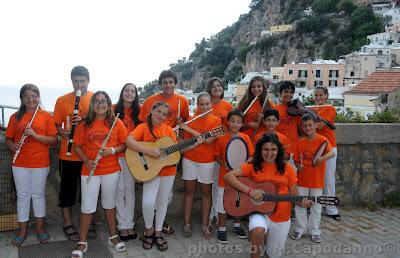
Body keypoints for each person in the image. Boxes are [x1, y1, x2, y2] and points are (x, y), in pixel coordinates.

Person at [126, 101, 203, 251]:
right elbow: (129, 141)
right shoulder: (143, 127)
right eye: (158, 112)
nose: (161, 116)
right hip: (151, 172)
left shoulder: (168, 130)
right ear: (151, 111)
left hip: (167, 171)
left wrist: (195, 144)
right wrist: (148, 151)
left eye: (164, 114)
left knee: (162, 203)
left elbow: (177, 150)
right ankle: (148, 230)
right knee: (148, 202)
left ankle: (158, 231)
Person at [224, 134, 311, 258]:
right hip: (260, 211)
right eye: (266, 149)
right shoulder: (254, 166)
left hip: (281, 216)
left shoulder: (288, 169)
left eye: (273, 149)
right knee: (258, 230)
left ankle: (265, 243)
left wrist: (302, 202)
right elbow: (228, 176)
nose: (269, 153)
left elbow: (295, 195)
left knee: (273, 255)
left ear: (278, 150)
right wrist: (250, 191)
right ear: (260, 150)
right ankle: (256, 242)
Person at [71, 91, 127, 258]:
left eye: (104, 101)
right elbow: (77, 147)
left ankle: (113, 237)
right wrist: (87, 160)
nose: (100, 104)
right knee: (87, 206)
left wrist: (111, 150)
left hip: (111, 170)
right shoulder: (84, 124)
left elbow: (124, 145)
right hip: (90, 170)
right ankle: (82, 242)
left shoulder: (116, 123)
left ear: (109, 104)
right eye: (97, 101)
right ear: (92, 105)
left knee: (109, 204)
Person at [5, 84, 58, 247]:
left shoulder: (46, 117)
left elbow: (53, 140)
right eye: (27, 96)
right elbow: (8, 139)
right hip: (19, 162)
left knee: (38, 195)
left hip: (40, 163)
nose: (31, 99)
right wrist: (12, 146)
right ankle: (23, 230)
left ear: (39, 97)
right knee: (23, 196)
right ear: (22, 99)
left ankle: (40, 229)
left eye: (34, 96)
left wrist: (35, 135)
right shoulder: (15, 117)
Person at [138, 70, 189, 234]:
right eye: (164, 82)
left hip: (170, 149)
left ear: (175, 83)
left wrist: (181, 126)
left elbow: (184, 126)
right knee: (150, 198)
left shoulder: (183, 101)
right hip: (152, 152)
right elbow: (142, 129)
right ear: (161, 84)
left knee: (165, 198)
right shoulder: (150, 101)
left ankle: (159, 224)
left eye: (170, 82)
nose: (168, 85)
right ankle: (150, 227)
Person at [53, 66, 96, 241]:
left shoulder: (95, 98)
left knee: (90, 191)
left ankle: (90, 221)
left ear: (88, 80)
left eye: (82, 81)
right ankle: (68, 222)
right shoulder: (62, 100)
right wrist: (62, 132)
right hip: (68, 154)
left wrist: (85, 119)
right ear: (71, 81)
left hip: (88, 153)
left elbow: (102, 120)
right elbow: (56, 124)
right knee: (67, 190)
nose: (79, 85)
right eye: (76, 81)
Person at [179, 92, 221, 239]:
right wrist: (185, 128)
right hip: (190, 159)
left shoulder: (216, 121)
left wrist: (188, 128)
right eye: (201, 104)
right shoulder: (191, 119)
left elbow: (209, 140)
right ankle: (186, 224)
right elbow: (186, 143)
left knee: (206, 192)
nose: (204, 107)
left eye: (206, 104)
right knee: (189, 191)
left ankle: (204, 225)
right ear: (197, 106)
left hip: (207, 161)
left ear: (211, 104)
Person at [290, 113, 335, 243]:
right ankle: (300, 228)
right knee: (300, 205)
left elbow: (331, 153)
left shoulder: (322, 140)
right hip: (302, 180)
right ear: (302, 128)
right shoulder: (300, 143)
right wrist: (299, 166)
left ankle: (315, 231)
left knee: (316, 206)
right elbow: (297, 161)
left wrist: (321, 159)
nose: (307, 128)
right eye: (304, 126)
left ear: (315, 125)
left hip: (317, 181)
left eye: (310, 125)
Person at [214, 109, 254, 243]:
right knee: (222, 203)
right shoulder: (221, 138)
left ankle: (237, 226)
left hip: (241, 178)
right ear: (227, 122)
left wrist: (245, 166)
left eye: (238, 122)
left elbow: (251, 156)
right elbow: (217, 156)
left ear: (242, 124)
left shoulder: (245, 138)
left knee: (239, 202)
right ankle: (221, 228)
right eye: (232, 121)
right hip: (223, 178)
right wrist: (223, 163)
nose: (235, 124)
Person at [113, 83, 141, 241]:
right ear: (122, 92)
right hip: (117, 155)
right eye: (127, 90)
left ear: (135, 94)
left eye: (132, 91)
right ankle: (122, 226)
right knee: (120, 191)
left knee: (130, 191)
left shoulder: (140, 110)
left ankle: (129, 224)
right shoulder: (113, 108)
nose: (129, 93)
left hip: (133, 156)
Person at [204, 77, 233, 225]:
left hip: (223, 147)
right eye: (213, 86)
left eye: (219, 85)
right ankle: (213, 214)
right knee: (213, 183)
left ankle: (220, 213)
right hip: (209, 148)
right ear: (209, 89)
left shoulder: (227, 106)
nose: (216, 88)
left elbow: (233, 124)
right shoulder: (205, 106)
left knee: (222, 183)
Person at [312, 86, 340, 221]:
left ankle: (330, 208)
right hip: (315, 147)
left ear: (326, 96)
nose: (318, 98)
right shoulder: (311, 109)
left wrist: (308, 124)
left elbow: (320, 126)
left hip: (329, 147)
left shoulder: (330, 109)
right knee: (315, 179)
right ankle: (316, 206)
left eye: (321, 95)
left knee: (328, 179)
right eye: (316, 95)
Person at [274, 81, 301, 166]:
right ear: (280, 93)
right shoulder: (275, 109)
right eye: (286, 91)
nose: (289, 94)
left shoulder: (297, 110)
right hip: (279, 149)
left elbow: (300, 130)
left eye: (291, 92)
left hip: (294, 149)